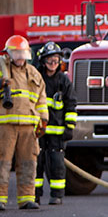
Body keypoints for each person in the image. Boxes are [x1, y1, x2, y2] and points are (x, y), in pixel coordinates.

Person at [0, 35, 47, 210]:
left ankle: (26, 198)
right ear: (9, 54)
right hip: (5, 126)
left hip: (28, 127)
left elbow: (41, 100)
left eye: (22, 53)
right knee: (2, 162)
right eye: (16, 53)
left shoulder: (33, 73)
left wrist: (44, 121)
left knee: (28, 163)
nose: (20, 57)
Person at [34, 42, 77, 206]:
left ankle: (57, 195)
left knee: (57, 164)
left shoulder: (64, 81)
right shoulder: (37, 79)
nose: (53, 64)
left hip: (58, 133)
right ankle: (34, 195)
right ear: (43, 62)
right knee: (37, 164)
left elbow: (71, 104)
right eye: (49, 61)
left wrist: (69, 127)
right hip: (38, 131)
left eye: (56, 60)